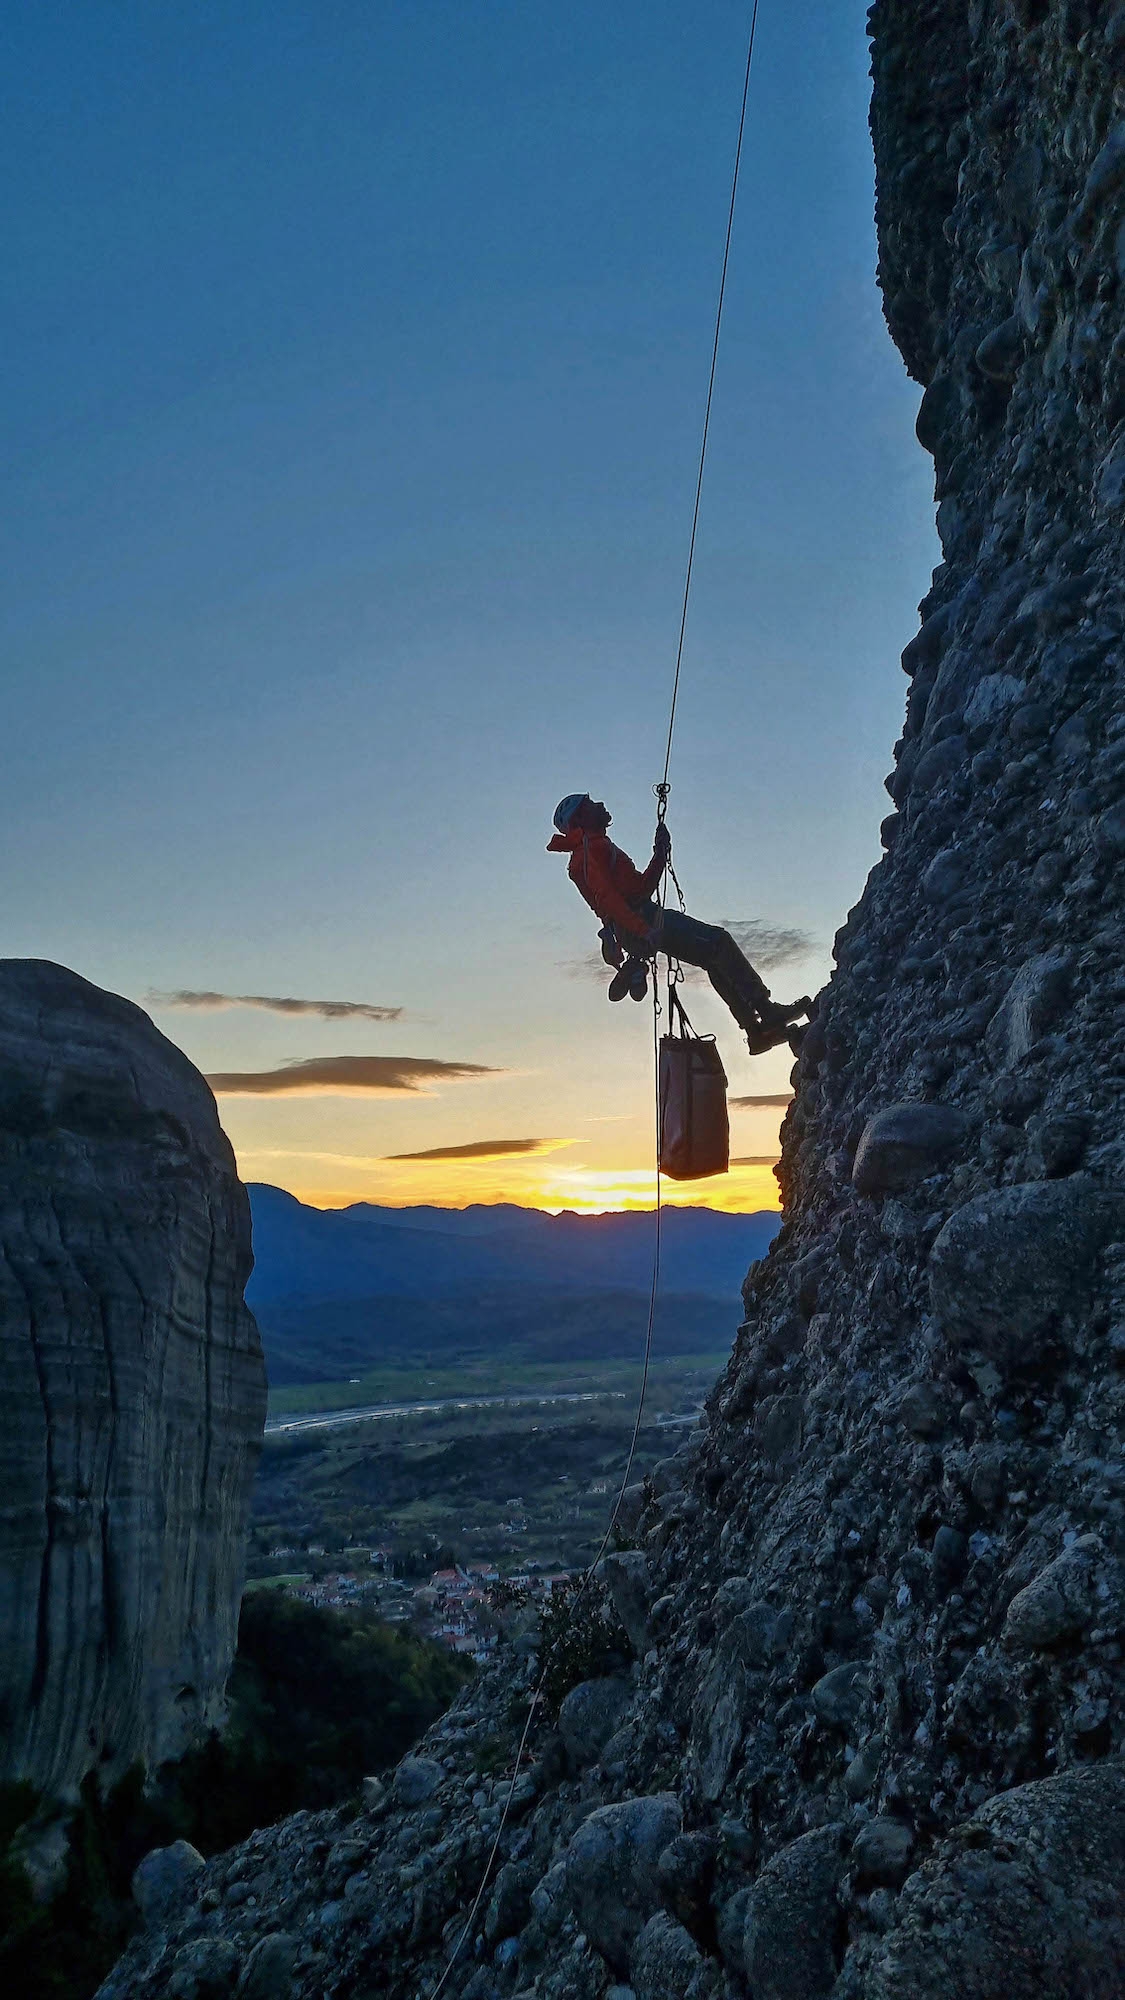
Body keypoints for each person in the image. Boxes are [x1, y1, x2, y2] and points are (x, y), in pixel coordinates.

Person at [548, 792, 810, 1053]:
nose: (601, 804)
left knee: (712, 957)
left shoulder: (596, 848)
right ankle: (765, 1011)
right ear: (580, 818)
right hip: (640, 921)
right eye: (591, 804)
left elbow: (639, 888)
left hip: (640, 920)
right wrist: (644, 930)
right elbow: (609, 900)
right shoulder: (587, 854)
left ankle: (756, 1031)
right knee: (719, 943)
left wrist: (660, 853)